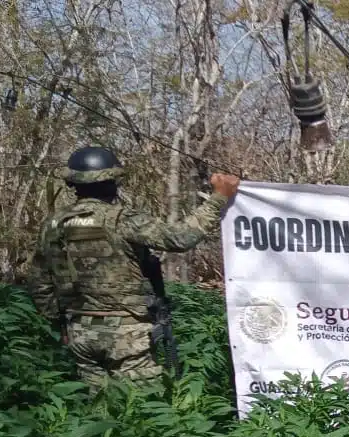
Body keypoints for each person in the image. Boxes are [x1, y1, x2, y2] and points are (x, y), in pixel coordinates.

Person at [28, 146, 240, 393]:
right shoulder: (122, 219)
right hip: (126, 333)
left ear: (74, 183)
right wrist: (218, 198)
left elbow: (39, 281)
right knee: (142, 411)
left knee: (98, 410)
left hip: (79, 331)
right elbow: (180, 238)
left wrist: (59, 323)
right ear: (112, 183)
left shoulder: (54, 224)